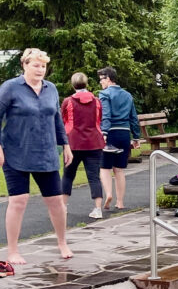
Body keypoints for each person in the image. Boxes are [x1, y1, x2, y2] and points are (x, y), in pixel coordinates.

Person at [0, 48, 74, 264]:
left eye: (43, 66)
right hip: (16, 152)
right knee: (19, 200)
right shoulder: (10, 88)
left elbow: (57, 120)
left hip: (45, 153)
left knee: (56, 201)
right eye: (36, 65)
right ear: (24, 65)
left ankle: (62, 242)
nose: (40, 69)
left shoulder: (51, 89)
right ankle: (13, 251)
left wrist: (65, 144)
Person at [60, 72, 105, 219]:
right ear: (86, 84)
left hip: (73, 143)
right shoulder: (97, 101)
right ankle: (98, 209)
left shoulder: (68, 102)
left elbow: (63, 120)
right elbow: (99, 119)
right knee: (94, 177)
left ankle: (63, 207)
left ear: (73, 85)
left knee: (68, 176)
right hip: (94, 142)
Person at [97, 66, 140, 210]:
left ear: (108, 78)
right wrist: (136, 137)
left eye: (101, 79)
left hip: (110, 133)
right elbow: (133, 117)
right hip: (124, 134)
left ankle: (109, 194)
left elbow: (106, 115)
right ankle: (120, 202)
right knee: (119, 170)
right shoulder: (128, 95)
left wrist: (104, 132)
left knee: (104, 167)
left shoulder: (105, 94)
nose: (100, 83)